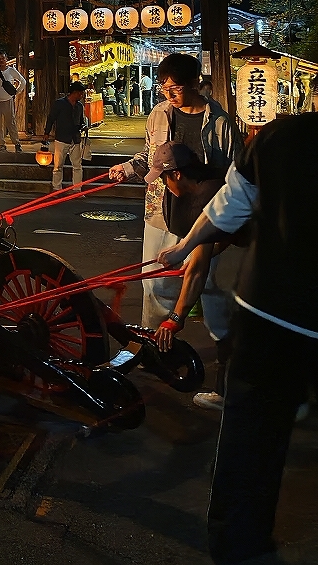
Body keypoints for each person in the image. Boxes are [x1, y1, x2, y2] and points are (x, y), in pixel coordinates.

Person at [158, 114, 318, 565]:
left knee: (251, 442)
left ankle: (240, 548)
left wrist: (184, 247)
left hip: (270, 311)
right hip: (277, 312)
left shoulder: (281, 136)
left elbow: (227, 210)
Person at [108, 54, 241, 345]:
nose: (169, 95)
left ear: (195, 83)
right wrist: (128, 168)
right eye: (164, 88)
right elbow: (150, 155)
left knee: (206, 280)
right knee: (154, 282)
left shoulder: (219, 123)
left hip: (205, 210)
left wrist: (224, 221)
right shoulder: (159, 114)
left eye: (176, 88)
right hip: (162, 209)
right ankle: (153, 343)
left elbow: (234, 172)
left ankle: (226, 344)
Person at [145, 141, 231, 408]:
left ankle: (231, 396)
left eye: (164, 178)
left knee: (227, 323)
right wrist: (193, 255)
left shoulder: (207, 195)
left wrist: (175, 318)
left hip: (259, 252)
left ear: (177, 174)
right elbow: (219, 240)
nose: (163, 185)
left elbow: (198, 269)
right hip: (246, 245)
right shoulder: (210, 181)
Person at [43, 81, 86, 190]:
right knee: (58, 166)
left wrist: (83, 127)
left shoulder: (79, 106)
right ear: (75, 92)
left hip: (75, 138)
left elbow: (81, 121)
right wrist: (47, 133)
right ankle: (56, 187)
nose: (81, 96)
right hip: (62, 138)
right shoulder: (59, 104)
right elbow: (51, 118)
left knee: (77, 165)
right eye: (80, 93)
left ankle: (77, 188)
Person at [0, 53, 26, 153]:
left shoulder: (11, 71)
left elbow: (23, 81)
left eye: (3, 58)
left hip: (7, 100)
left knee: (11, 123)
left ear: (6, 59)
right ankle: (1, 144)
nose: (1, 60)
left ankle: (17, 143)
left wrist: (17, 91)